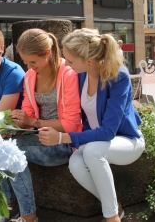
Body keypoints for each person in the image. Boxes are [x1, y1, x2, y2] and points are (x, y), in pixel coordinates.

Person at [39, 28, 145, 222]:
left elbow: (107, 132)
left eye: (70, 61)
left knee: (92, 152)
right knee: (75, 163)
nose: (67, 66)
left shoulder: (118, 77)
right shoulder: (80, 75)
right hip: (97, 143)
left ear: (88, 61)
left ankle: (112, 217)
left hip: (127, 141)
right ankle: (115, 207)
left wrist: (63, 138)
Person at [1, 29, 82, 222]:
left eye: (32, 62)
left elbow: (71, 124)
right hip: (39, 138)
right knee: (1, 145)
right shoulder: (30, 77)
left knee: (12, 150)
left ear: (46, 53)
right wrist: (15, 124)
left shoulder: (68, 74)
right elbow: (28, 113)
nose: (28, 67)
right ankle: (8, 208)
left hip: (63, 143)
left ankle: (29, 216)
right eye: (26, 62)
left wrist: (33, 122)